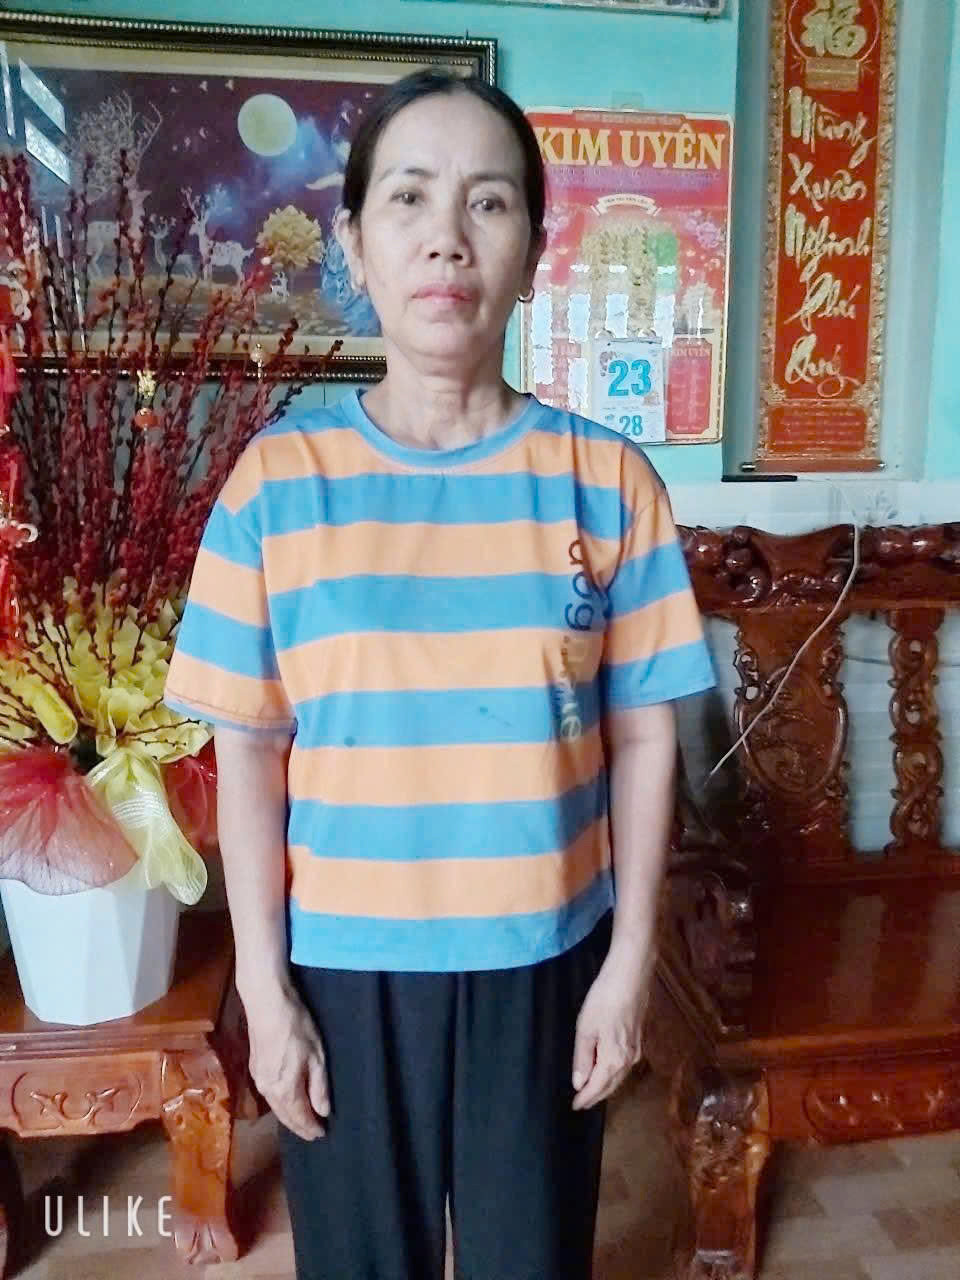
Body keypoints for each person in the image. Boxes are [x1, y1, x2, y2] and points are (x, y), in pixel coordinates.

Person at [164, 69, 715, 1280]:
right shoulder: (276, 485)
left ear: (533, 247)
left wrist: (629, 964)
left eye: (490, 201)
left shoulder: (607, 483)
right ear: (354, 241)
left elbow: (643, 736)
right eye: (409, 197)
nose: (448, 238)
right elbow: (247, 749)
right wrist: (264, 985)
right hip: (345, 974)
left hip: (546, 960)